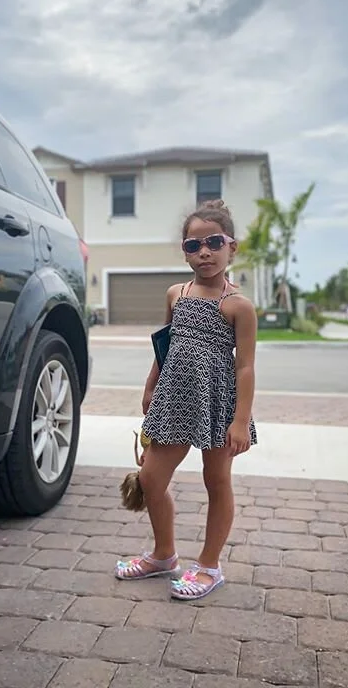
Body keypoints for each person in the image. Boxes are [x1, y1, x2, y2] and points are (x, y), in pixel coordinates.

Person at [114, 199, 258, 600]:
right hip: (175, 396)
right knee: (150, 479)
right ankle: (163, 555)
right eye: (193, 245)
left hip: (216, 402)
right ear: (185, 251)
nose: (204, 252)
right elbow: (166, 344)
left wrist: (241, 420)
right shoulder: (176, 293)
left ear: (233, 247)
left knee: (217, 481)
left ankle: (209, 566)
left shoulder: (239, 306)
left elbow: (245, 367)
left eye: (214, 242)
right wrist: (150, 385)